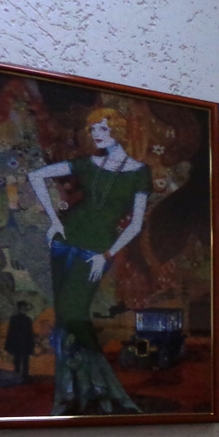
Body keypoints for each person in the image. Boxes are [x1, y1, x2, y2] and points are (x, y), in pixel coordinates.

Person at [27, 108, 151, 414]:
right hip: (64, 242)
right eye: (93, 128)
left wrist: (107, 255)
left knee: (73, 313)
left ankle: (105, 389)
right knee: (65, 318)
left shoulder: (139, 172)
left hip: (96, 250)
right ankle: (70, 393)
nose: (96, 134)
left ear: (118, 131)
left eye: (103, 128)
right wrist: (54, 220)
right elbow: (35, 175)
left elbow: (136, 224)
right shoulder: (86, 163)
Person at [4, 300, 35, 380]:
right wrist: (31, 344)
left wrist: (8, 344)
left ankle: (18, 375)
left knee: (19, 360)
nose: (23, 309)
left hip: (18, 342)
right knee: (23, 360)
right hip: (23, 342)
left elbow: (11, 332)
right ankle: (23, 375)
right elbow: (30, 333)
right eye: (22, 308)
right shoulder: (27, 319)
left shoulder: (15, 319)